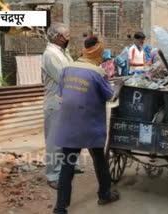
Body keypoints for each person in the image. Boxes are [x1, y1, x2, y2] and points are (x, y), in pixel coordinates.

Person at [53, 36, 123, 214]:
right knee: (99, 160)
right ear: (99, 52)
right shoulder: (97, 73)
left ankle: (60, 208)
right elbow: (110, 96)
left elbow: (61, 96)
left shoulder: (67, 68)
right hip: (90, 125)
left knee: (67, 166)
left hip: (69, 124)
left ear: (84, 49)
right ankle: (104, 194)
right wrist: (119, 86)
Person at [41, 23, 77, 189]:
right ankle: (53, 175)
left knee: (68, 137)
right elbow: (65, 76)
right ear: (58, 37)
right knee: (54, 141)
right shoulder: (50, 55)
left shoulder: (62, 52)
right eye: (66, 35)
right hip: (55, 103)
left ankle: (68, 166)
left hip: (66, 102)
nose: (69, 38)